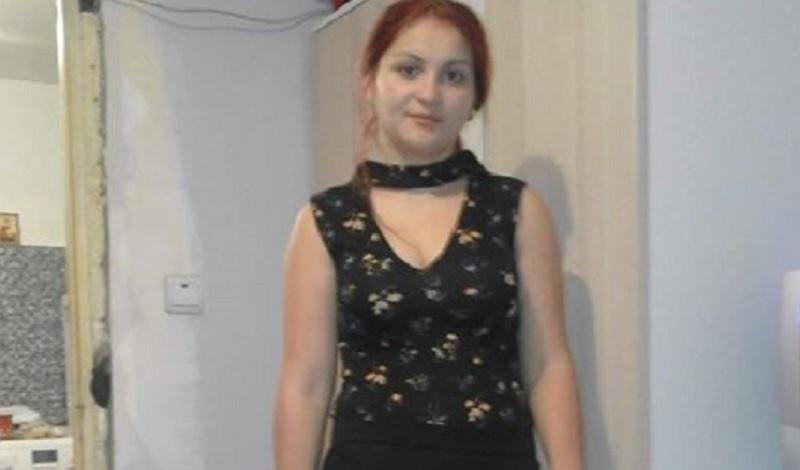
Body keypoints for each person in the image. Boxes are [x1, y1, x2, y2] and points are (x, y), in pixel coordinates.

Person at [273, 1, 583, 469]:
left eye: (454, 76)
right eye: (409, 69)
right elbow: (305, 384)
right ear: (370, 80)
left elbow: (548, 366)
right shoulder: (326, 221)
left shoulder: (515, 210)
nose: (429, 93)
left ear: (475, 98)